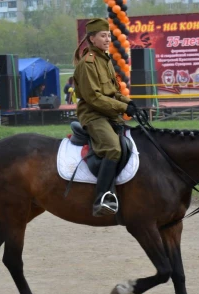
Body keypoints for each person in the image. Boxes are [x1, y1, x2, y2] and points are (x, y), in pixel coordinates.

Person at [73, 18, 136, 217]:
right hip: (93, 115)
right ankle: (101, 198)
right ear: (92, 38)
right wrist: (121, 106)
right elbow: (94, 98)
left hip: (108, 112)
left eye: (109, 35)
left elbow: (113, 91)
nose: (108, 39)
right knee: (113, 148)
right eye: (103, 35)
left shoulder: (105, 60)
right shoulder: (88, 63)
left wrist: (128, 103)